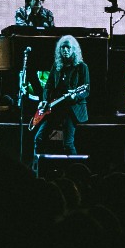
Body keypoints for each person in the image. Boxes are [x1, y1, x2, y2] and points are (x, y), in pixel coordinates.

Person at [33, 34, 89, 169]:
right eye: (63, 48)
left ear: (73, 49)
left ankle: (76, 171)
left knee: (68, 144)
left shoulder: (82, 67)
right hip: (55, 107)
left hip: (72, 109)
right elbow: (48, 86)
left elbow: (86, 90)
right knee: (39, 138)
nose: (65, 50)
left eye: (68, 48)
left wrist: (75, 96)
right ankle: (38, 169)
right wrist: (44, 100)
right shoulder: (57, 66)